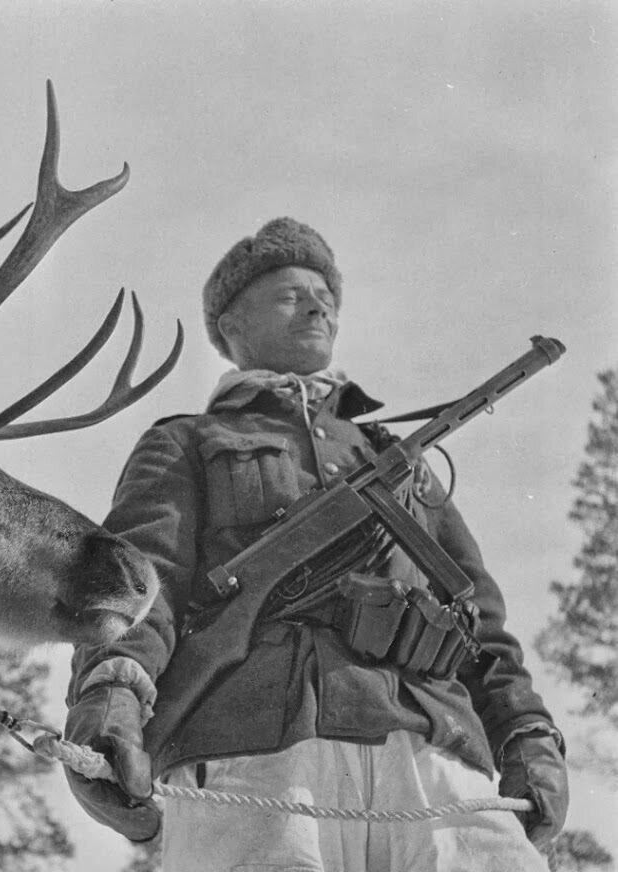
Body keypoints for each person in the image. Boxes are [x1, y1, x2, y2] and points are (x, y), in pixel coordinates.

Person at [63, 218, 568, 871]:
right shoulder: (187, 441)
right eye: (288, 294)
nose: (318, 305)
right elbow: (140, 583)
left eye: (326, 296)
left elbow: (481, 621)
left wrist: (526, 732)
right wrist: (112, 694)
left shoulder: (395, 458)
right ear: (231, 326)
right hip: (256, 754)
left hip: (432, 753)